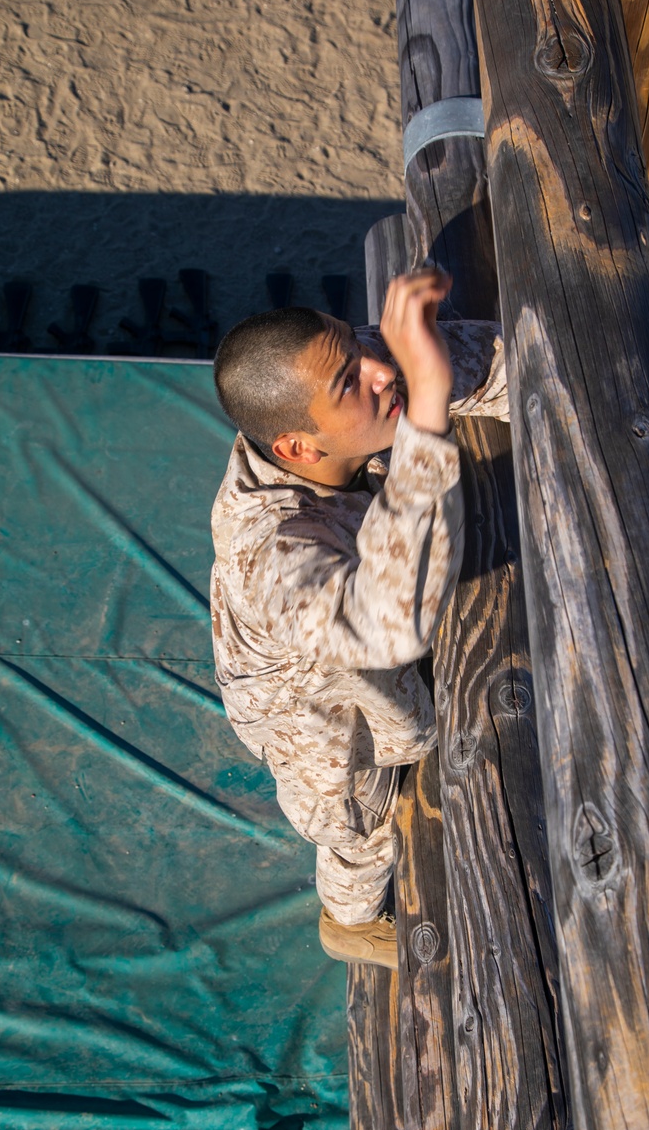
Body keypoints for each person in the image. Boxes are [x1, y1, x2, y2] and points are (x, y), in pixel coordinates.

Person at [210, 270, 507, 969]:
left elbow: (495, 361)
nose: (380, 368)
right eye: (353, 379)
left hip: (349, 629)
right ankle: (344, 923)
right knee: (357, 823)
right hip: (308, 709)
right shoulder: (270, 554)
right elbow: (388, 627)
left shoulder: (341, 374)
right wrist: (427, 409)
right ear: (297, 450)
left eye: (359, 344)